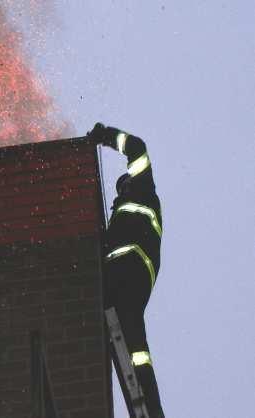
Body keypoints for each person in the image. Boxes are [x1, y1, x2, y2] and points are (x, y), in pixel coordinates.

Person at [87, 123, 165, 418]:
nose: (122, 189)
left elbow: (137, 147)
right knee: (130, 346)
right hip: (124, 275)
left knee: (134, 345)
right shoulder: (119, 217)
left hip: (131, 271)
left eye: (125, 184)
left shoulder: (144, 190)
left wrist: (104, 136)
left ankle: (152, 412)